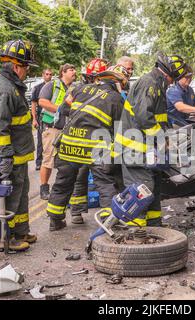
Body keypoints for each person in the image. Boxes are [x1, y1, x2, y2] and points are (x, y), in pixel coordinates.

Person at [46, 66, 129, 231]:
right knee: (105, 183)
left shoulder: (80, 89)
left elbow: (63, 109)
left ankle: (55, 220)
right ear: (117, 82)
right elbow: (120, 128)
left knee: (63, 182)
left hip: (69, 146)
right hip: (94, 149)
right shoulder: (116, 98)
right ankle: (109, 222)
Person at [114, 53, 188, 227]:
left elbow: (159, 118)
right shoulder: (149, 83)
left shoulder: (157, 85)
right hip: (133, 148)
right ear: (166, 74)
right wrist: (162, 139)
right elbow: (144, 116)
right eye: (173, 79)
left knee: (153, 187)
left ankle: (155, 225)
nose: (172, 82)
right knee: (141, 188)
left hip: (147, 149)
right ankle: (136, 232)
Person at [0, 39, 38, 251]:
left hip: (19, 154)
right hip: (10, 155)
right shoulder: (5, 90)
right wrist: (5, 156)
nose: (27, 72)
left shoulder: (13, 86)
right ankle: (8, 239)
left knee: (21, 193)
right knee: (11, 196)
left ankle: (21, 231)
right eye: (26, 67)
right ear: (16, 66)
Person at [38, 63, 76, 200]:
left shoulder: (74, 88)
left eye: (74, 70)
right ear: (63, 72)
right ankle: (44, 188)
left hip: (67, 130)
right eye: (71, 70)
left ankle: (61, 189)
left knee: (65, 161)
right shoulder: (52, 85)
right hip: (52, 128)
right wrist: (59, 109)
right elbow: (42, 101)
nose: (74, 72)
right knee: (48, 160)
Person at [31, 68, 53, 170]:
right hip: (41, 118)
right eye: (47, 74)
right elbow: (34, 105)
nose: (49, 76)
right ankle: (39, 162)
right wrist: (34, 119)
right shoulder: (37, 88)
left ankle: (51, 162)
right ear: (43, 75)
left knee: (52, 141)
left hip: (52, 118)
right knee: (40, 142)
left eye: (50, 74)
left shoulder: (54, 88)